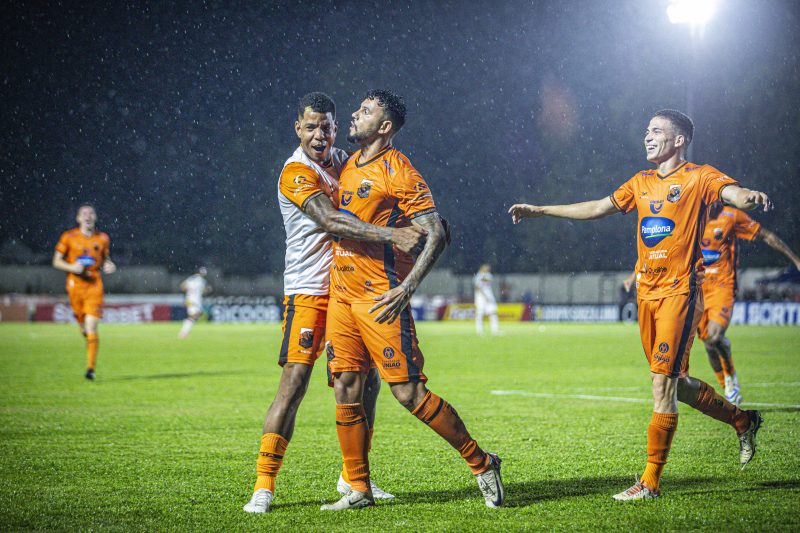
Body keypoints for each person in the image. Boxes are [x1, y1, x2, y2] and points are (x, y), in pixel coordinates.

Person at [509, 109, 769, 501]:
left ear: (679, 140)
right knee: (676, 384)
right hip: (646, 295)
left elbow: (731, 193)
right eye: (647, 131)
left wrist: (747, 196)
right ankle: (743, 421)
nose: (647, 137)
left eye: (657, 131)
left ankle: (649, 483)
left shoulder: (699, 177)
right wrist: (541, 210)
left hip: (679, 293)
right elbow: (597, 207)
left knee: (661, 385)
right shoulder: (641, 182)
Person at [243, 92, 426, 513]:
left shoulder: (343, 160)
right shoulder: (295, 171)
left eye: (326, 126)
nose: (319, 135)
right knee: (295, 383)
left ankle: (354, 479)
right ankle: (264, 485)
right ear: (298, 129)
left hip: (351, 287)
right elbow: (330, 219)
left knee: (367, 383)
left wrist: (425, 223)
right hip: (309, 290)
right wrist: (392, 236)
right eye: (310, 127)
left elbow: (377, 189)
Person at [321, 89, 504, 511]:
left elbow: (436, 231)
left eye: (365, 111)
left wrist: (407, 288)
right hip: (342, 297)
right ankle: (359, 489)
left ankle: (481, 462)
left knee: (409, 394)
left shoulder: (398, 170)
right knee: (346, 386)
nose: (355, 113)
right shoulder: (348, 164)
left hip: (380, 297)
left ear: (384, 127)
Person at [698, 201, 800, 405]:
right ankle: (727, 387)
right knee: (709, 344)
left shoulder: (732, 216)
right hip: (698, 290)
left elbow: (766, 235)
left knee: (715, 336)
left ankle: (731, 382)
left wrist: (795, 260)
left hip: (722, 286)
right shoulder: (692, 217)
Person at [52, 204, 116, 380]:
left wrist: (108, 265)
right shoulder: (69, 237)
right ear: (78, 218)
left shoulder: (102, 238)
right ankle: (90, 342)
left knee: (91, 326)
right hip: (74, 286)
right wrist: (72, 267)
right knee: (83, 328)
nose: (88, 216)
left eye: (91, 213)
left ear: (95, 217)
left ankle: (90, 369)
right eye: (84, 214)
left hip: (94, 286)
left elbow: (105, 260)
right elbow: (56, 261)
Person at [178, 267, 212, 338]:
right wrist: (208, 290)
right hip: (193, 300)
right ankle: (183, 333)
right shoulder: (202, 281)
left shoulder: (191, 278)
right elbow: (204, 291)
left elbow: (182, 287)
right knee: (194, 316)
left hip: (192, 300)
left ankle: (185, 329)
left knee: (196, 314)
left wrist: (190, 290)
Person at [474, 264, 501, 335]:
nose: (487, 269)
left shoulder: (488, 275)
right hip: (480, 297)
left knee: (493, 313)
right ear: (481, 268)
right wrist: (483, 295)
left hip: (489, 297)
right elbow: (477, 287)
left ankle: (495, 331)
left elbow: (488, 280)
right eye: (486, 268)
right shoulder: (478, 276)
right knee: (480, 314)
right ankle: (479, 331)